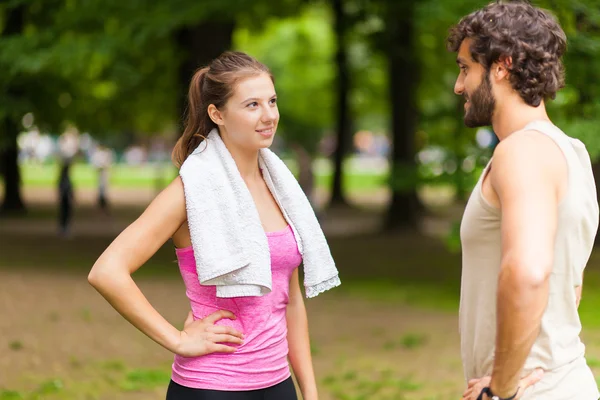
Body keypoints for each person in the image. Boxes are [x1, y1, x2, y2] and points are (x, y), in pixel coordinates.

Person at [87, 51, 340, 400]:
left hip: (278, 384)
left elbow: (291, 301)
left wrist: (309, 391)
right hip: (212, 386)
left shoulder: (280, 187)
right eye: (252, 105)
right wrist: (177, 339)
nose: (269, 115)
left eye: (272, 101)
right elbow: (107, 271)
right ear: (217, 114)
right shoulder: (190, 191)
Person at [447, 2, 600, 400]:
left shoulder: (520, 152)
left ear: (501, 65)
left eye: (465, 68)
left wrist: (499, 388)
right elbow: (573, 285)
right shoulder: (573, 152)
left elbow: (530, 272)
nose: (458, 86)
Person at [57, 160, 74, 237]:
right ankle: (63, 229)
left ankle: (64, 228)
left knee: (65, 214)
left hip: (65, 198)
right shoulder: (64, 179)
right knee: (65, 214)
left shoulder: (64, 178)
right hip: (65, 198)